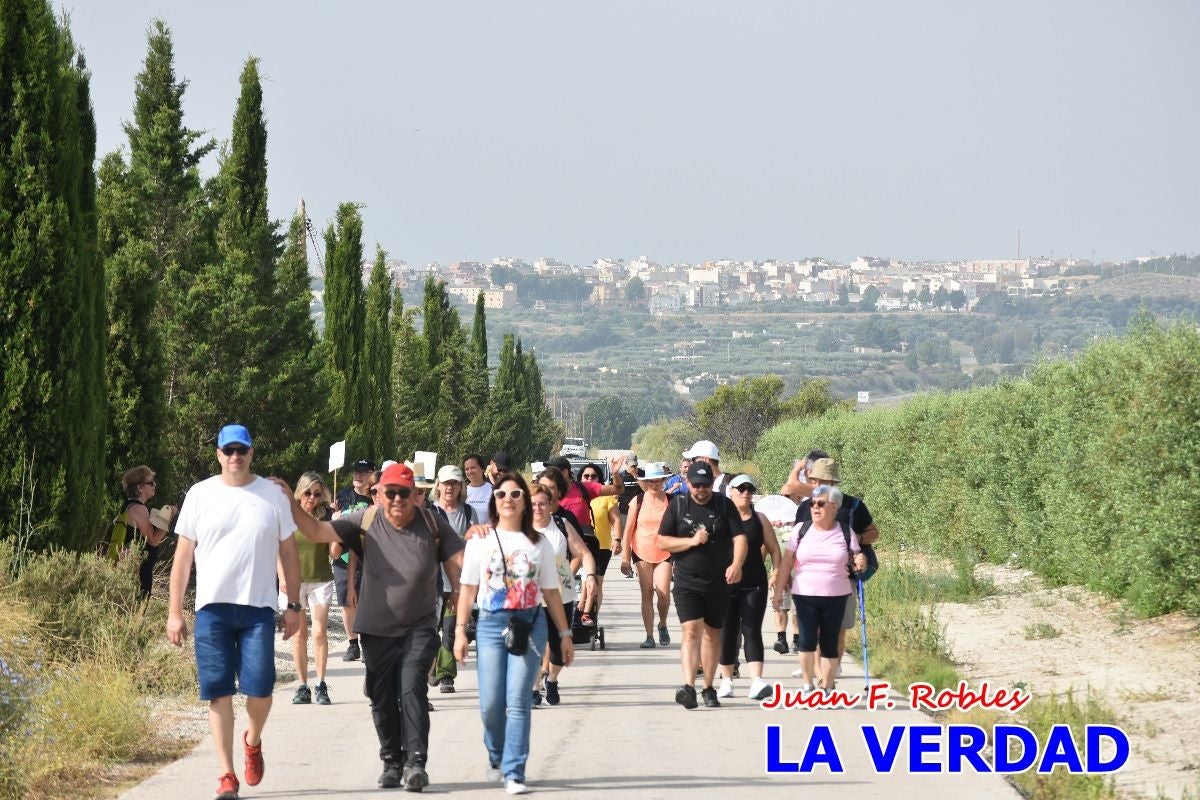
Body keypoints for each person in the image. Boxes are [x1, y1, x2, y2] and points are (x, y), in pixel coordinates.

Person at [283, 461, 466, 792]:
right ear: (378, 495)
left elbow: (459, 558)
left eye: (404, 494)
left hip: (419, 626)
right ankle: (392, 762)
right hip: (376, 628)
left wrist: (461, 594)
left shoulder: (431, 522)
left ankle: (415, 763)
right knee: (381, 696)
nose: (397, 500)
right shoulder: (363, 520)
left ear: (415, 496)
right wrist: (289, 504)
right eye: (391, 493)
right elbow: (316, 532)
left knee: (412, 688)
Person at [167, 424, 302, 800]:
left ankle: (253, 739)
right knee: (218, 691)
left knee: (261, 689)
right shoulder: (200, 494)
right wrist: (175, 611)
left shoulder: (271, 494)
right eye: (228, 450)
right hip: (212, 609)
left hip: (258, 608)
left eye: (241, 450)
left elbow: (288, 552)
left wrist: (293, 605)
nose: (235, 457)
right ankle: (227, 774)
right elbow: (182, 556)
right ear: (219, 454)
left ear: (251, 453)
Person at [454, 472, 575, 796]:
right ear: (494, 502)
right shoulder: (479, 540)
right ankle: (496, 755)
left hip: (529, 623)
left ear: (524, 500)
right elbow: (467, 590)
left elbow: (551, 592)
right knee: (491, 703)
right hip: (492, 624)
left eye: (515, 494)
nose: (508, 499)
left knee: (519, 700)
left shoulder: (539, 544)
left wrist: (564, 634)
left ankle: (515, 771)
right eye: (502, 494)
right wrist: (460, 632)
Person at [655, 461, 747, 709]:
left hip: (718, 583)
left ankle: (708, 687)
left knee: (712, 635)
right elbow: (663, 541)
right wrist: (692, 542)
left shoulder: (724, 505)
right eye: (696, 485)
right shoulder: (679, 504)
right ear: (688, 484)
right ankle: (689, 686)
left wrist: (737, 564)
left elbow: (740, 537)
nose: (701, 490)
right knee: (691, 631)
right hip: (687, 582)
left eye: (705, 485)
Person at [771, 484, 867, 694]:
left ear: (834, 507)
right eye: (813, 503)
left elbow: (856, 558)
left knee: (830, 642)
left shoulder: (845, 531)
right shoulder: (801, 530)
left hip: (836, 595)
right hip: (804, 595)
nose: (815, 507)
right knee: (807, 640)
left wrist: (861, 561)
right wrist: (778, 592)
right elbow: (787, 563)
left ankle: (828, 684)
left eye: (821, 504)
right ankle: (808, 684)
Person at [791, 458, 880, 667]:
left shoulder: (853, 506)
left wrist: (855, 540)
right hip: (809, 579)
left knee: (838, 629)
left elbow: (874, 533)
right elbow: (796, 542)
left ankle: (831, 667)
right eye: (812, 480)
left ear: (832, 483)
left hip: (843, 577)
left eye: (820, 481)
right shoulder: (805, 508)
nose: (815, 485)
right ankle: (820, 674)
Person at [529, 482, 596, 706]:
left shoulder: (561, 524)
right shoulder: (519, 527)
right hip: (531, 594)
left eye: (542, 503)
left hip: (561, 592)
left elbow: (584, 553)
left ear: (551, 505)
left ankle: (553, 679)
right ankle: (534, 687)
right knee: (534, 642)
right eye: (533, 504)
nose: (537, 508)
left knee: (557, 647)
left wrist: (590, 576)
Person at [716, 474, 782, 701]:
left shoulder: (759, 519)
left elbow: (774, 550)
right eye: (741, 488)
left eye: (750, 489)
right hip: (725, 585)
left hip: (754, 583)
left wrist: (776, 574)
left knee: (752, 629)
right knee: (727, 632)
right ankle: (726, 681)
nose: (746, 492)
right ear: (730, 491)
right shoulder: (721, 518)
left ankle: (757, 681)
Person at [280, 472, 336, 706]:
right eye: (307, 493)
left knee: (319, 632)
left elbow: (335, 554)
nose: (312, 498)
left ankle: (321, 683)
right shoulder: (287, 516)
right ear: (299, 492)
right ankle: (303, 686)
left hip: (321, 579)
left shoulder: (326, 518)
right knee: (299, 635)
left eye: (317, 493)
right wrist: (282, 577)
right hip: (294, 582)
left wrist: (337, 534)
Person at [430, 464, 477, 694]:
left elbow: (475, 546)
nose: (450, 488)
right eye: (446, 483)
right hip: (431, 583)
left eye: (454, 483)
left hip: (458, 582)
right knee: (429, 630)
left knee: (450, 630)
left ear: (461, 487)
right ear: (438, 485)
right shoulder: (429, 512)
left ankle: (447, 675)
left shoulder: (468, 513)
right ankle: (431, 668)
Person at [619, 462, 674, 648]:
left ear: (664, 480)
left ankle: (663, 624)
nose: (654, 485)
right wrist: (625, 558)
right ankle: (649, 636)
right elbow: (628, 531)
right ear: (645, 481)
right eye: (650, 481)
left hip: (665, 552)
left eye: (658, 481)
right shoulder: (638, 501)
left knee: (664, 593)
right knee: (647, 593)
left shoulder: (672, 500)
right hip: (641, 551)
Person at [333, 458, 375, 662]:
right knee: (347, 603)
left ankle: (369, 644)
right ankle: (353, 644)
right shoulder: (342, 495)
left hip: (369, 559)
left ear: (373, 474)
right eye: (356, 471)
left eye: (364, 472)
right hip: (344, 557)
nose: (358, 475)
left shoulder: (376, 498)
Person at [108, 465, 172, 597]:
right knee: (136, 612)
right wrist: (168, 516)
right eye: (150, 482)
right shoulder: (139, 509)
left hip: (125, 571)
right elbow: (153, 541)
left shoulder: (127, 506)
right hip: (137, 575)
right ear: (140, 487)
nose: (154, 484)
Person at [579, 463, 619, 616]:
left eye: (593, 476)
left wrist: (618, 540)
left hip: (601, 546)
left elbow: (616, 520)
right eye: (586, 476)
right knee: (581, 582)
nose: (590, 478)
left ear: (599, 479)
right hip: (579, 544)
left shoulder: (606, 497)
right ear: (580, 478)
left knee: (597, 583)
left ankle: (591, 617)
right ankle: (578, 611)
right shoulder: (575, 494)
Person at [463, 454, 493, 522]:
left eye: (473, 467)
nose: (470, 471)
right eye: (467, 469)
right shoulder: (463, 491)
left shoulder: (493, 490)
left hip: (490, 531)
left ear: (482, 468)